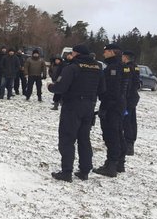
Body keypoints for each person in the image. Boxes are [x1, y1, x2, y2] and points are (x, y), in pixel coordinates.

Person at [48, 44, 105, 182]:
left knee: (67, 138)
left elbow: (61, 87)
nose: (71, 55)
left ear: (76, 53)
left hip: (72, 106)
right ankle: (85, 170)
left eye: (72, 53)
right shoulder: (98, 68)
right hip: (89, 106)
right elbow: (102, 89)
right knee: (84, 139)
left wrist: (51, 87)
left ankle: (66, 172)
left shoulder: (72, 67)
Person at [93, 43, 129, 177]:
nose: (104, 54)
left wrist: (105, 105)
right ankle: (120, 163)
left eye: (106, 52)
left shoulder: (113, 68)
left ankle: (111, 165)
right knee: (119, 133)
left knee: (111, 135)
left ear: (112, 52)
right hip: (120, 105)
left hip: (112, 106)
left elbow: (111, 90)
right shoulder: (123, 67)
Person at [122, 50, 140, 156]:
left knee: (127, 121)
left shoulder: (128, 68)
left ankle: (128, 144)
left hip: (128, 99)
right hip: (133, 98)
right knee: (132, 120)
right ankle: (130, 142)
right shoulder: (136, 67)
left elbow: (128, 84)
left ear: (125, 57)